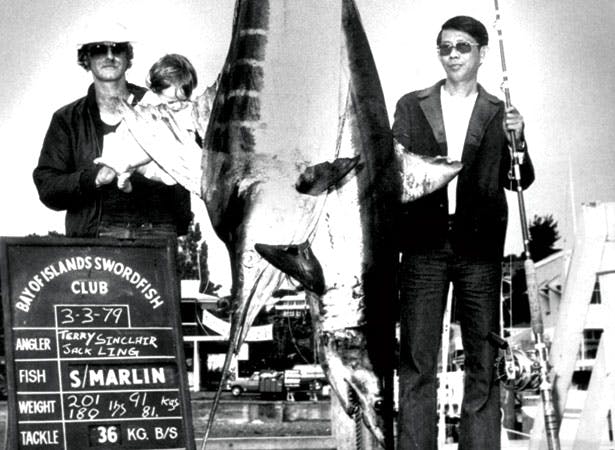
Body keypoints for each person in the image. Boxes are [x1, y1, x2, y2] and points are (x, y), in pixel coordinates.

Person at [392, 16, 535, 450]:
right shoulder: (410, 105)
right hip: (423, 248)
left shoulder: (499, 112)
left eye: (463, 47)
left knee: (483, 363)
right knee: (417, 364)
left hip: (480, 251)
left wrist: (520, 139)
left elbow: (518, 180)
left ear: (481, 54)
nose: (453, 54)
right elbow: (392, 172)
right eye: (445, 47)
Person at [33, 22, 192, 239]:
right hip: (96, 240)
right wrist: (95, 178)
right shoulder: (67, 119)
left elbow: (188, 161)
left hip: (158, 234)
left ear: (128, 58)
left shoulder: (161, 103)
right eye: (99, 49)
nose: (109, 56)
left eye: (117, 49)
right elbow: (48, 187)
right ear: (86, 59)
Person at [96, 53, 200, 194]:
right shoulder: (150, 100)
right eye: (171, 102)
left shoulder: (187, 111)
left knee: (158, 145)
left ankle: (126, 168)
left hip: (163, 161)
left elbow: (178, 144)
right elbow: (134, 122)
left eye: (184, 99)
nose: (177, 105)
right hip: (139, 153)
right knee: (118, 138)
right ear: (155, 91)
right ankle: (122, 174)